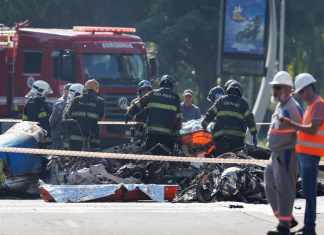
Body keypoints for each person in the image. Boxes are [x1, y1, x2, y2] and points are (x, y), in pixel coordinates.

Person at [280, 73, 324, 235]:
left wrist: (291, 124)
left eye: (303, 92)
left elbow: (312, 129)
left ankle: (310, 228)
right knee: (307, 192)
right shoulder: (311, 106)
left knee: (310, 193)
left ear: (310, 88)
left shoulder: (319, 105)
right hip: (305, 155)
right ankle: (308, 226)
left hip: (310, 156)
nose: (302, 96)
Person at [265, 71, 303, 235]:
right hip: (276, 153)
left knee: (285, 188)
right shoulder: (281, 106)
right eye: (274, 87)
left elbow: (302, 132)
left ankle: (284, 227)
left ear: (288, 89)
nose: (274, 91)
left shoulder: (293, 107)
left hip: (287, 153)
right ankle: (286, 219)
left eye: (277, 87)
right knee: (269, 183)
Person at [127, 74, 182, 154]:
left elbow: (139, 103)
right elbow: (178, 118)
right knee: (165, 161)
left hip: (152, 135)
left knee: (149, 159)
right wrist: (176, 132)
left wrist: (129, 114)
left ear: (161, 84)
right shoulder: (175, 97)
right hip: (167, 136)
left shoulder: (153, 93)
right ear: (171, 85)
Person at [202, 81, 257, 156]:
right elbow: (250, 120)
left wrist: (204, 125)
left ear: (228, 89)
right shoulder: (243, 103)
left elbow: (210, 114)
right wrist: (254, 134)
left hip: (220, 139)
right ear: (240, 92)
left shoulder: (221, 100)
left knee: (219, 161)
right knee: (235, 161)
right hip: (237, 141)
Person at [64, 79, 104, 150]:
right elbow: (100, 117)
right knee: (93, 158)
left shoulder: (76, 99)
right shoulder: (100, 101)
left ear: (85, 88)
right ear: (96, 89)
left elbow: (67, 115)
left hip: (76, 134)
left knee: (73, 157)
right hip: (92, 135)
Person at [49, 83, 72, 149]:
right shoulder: (76, 102)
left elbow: (52, 121)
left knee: (57, 153)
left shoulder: (59, 103)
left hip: (58, 132)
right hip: (68, 134)